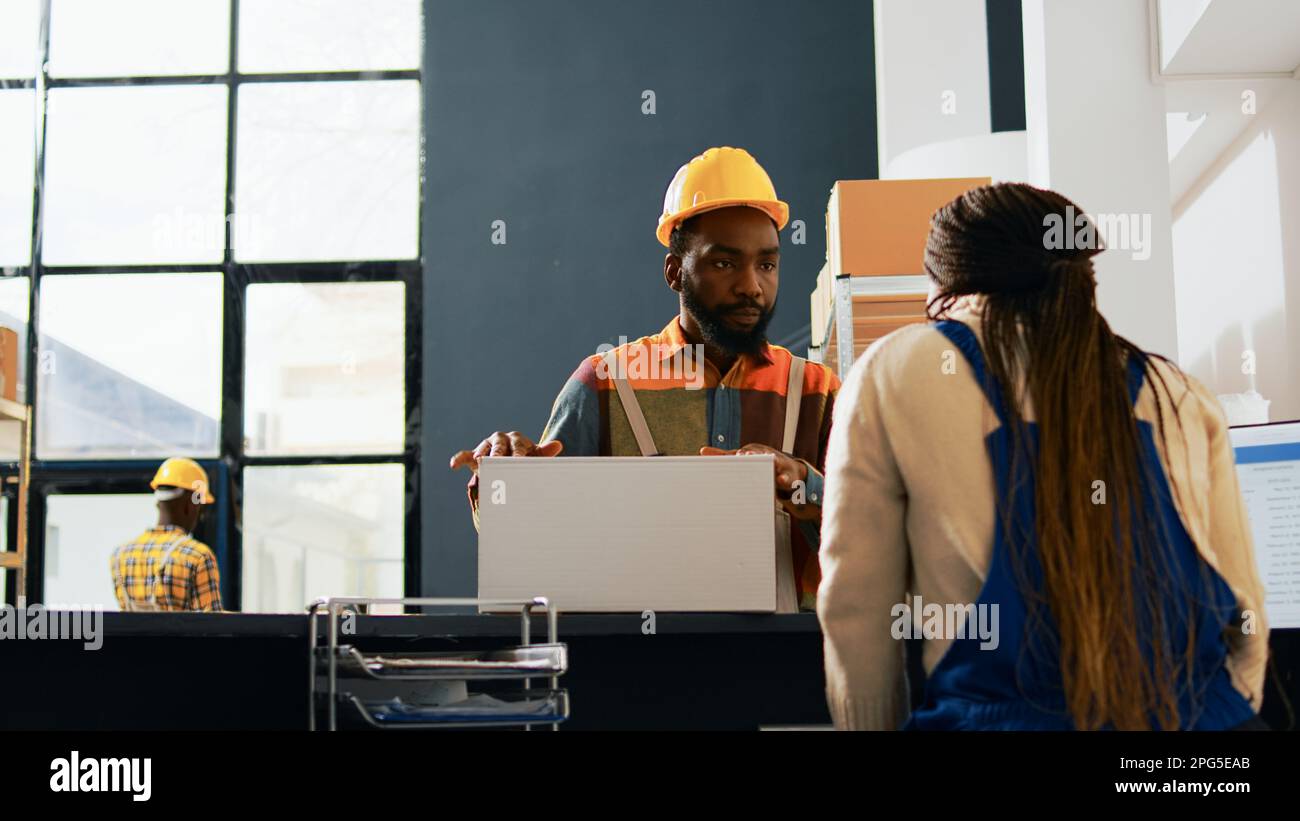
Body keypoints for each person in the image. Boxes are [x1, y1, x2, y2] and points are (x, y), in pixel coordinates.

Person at [818, 182, 1269, 730]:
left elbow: (857, 612)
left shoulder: (895, 369)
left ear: (943, 284)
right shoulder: (1177, 391)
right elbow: (1246, 617)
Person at [450, 146, 841, 609]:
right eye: (724, 263)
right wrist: (504, 480)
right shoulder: (604, 383)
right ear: (676, 272)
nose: (751, 285)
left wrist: (806, 486)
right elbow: (535, 540)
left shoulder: (818, 390)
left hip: (786, 664)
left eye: (767, 264)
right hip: (634, 666)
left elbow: (875, 533)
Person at [110, 457, 222, 612]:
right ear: (190, 506)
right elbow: (213, 625)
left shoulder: (120, 556)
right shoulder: (198, 556)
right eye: (200, 508)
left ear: (158, 504)